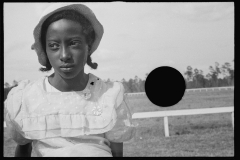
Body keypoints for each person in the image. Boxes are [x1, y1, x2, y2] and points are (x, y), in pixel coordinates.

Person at [4, 3, 136, 157]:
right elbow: (23, 151)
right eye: (53, 45)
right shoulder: (26, 99)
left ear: (88, 44)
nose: (65, 55)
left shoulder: (108, 95)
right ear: (44, 50)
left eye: (74, 43)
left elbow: (117, 154)